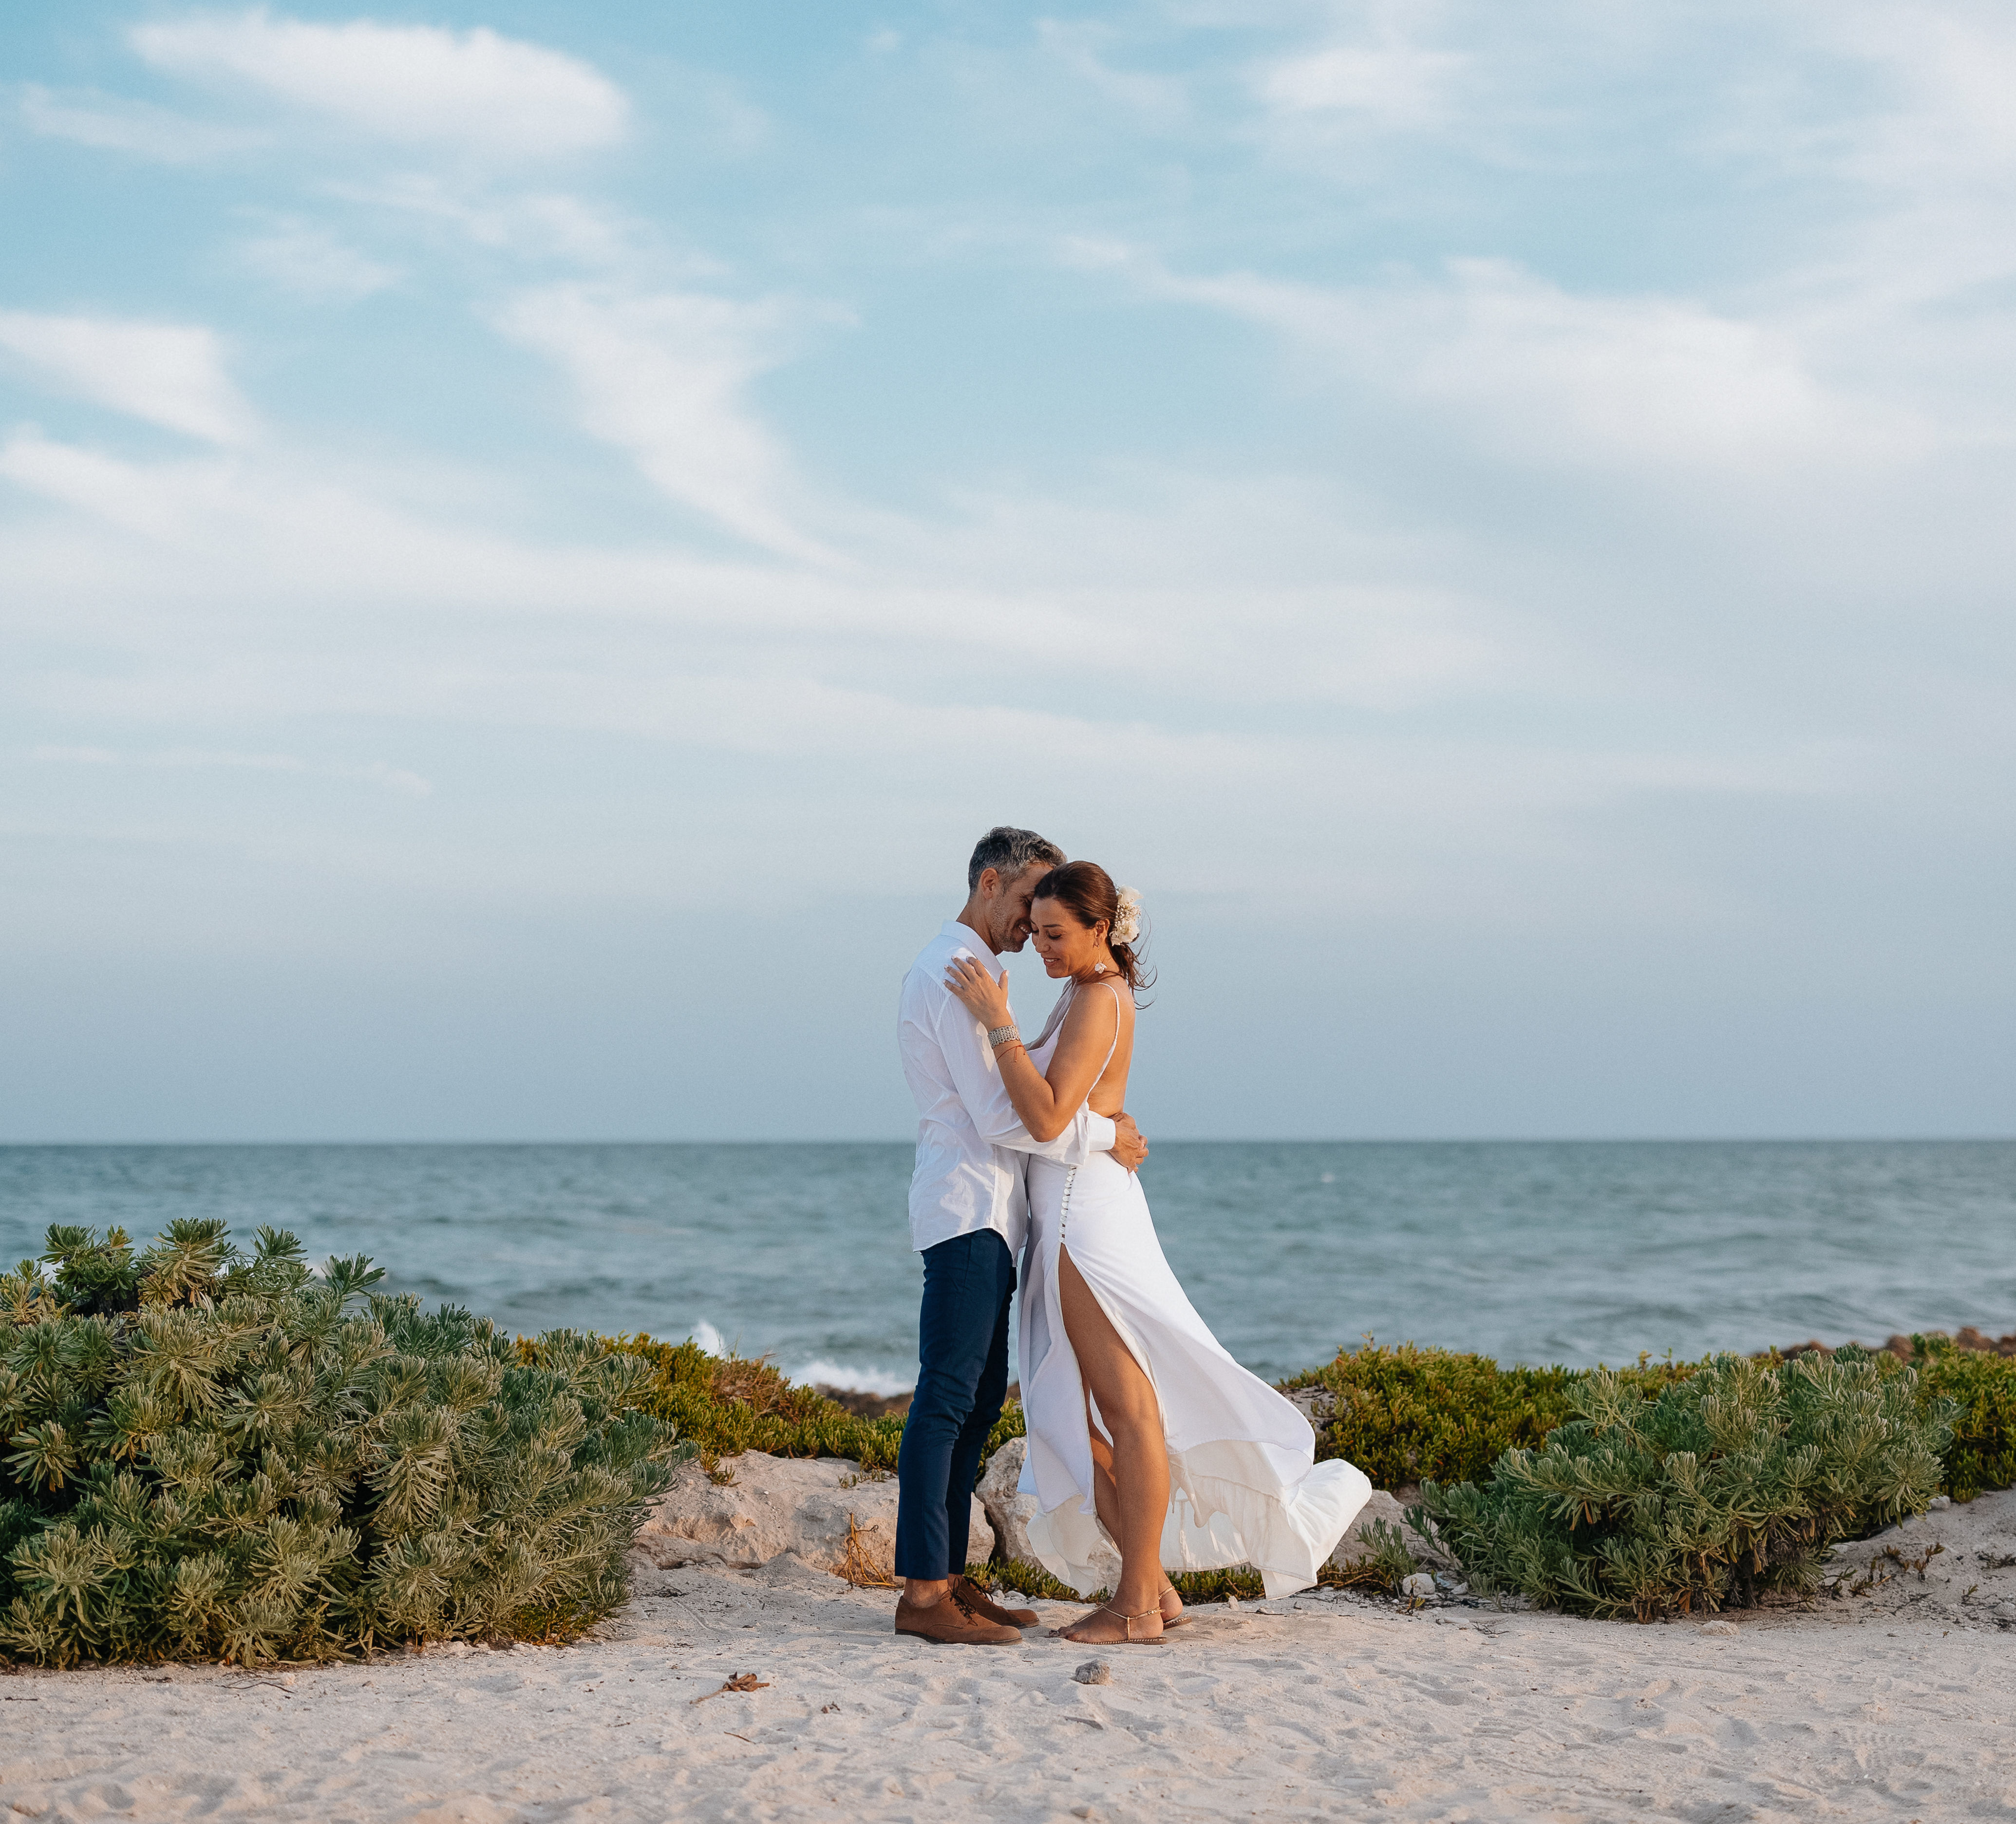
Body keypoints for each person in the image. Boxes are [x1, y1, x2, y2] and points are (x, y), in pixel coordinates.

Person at [944, 860, 1371, 1643]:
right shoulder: (1082, 990)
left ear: (1099, 928)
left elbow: (1044, 1118)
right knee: (1087, 1419)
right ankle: (1154, 1589)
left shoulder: (1099, 997)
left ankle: (1137, 1604)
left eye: (1054, 934)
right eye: (1035, 932)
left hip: (1083, 1222)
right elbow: (1080, 1108)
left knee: (1125, 1408)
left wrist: (995, 1021)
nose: (1039, 947)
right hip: (1069, 1210)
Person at [893, 827, 1149, 1646]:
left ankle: (951, 1582)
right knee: (946, 1398)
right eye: (1029, 905)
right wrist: (1110, 1137)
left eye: (1052, 918)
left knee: (973, 1406)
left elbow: (1039, 1087)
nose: (1033, 924)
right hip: (968, 1208)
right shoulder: (956, 974)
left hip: (995, 1216)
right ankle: (925, 1594)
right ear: (992, 881)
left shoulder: (992, 978)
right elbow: (1010, 1114)